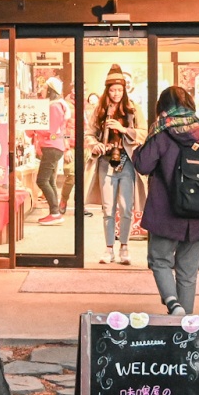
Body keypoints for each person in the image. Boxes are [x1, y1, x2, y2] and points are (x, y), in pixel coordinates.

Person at [133, 85, 199, 317]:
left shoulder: (161, 134)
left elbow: (143, 165)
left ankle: (173, 304)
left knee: (160, 260)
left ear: (162, 108)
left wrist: (137, 149)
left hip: (167, 213)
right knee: (187, 272)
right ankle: (185, 329)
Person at [87, 64, 143, 264]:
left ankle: (125, 247)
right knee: (108, 208)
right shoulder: (100, 109)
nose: (116, 93)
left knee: (126, 207)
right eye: (112, 90)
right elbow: (89, 133)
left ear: (125, 89)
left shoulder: (133, 109)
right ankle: (109, 248)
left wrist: (123, 128)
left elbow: (144, 132)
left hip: (127, 163)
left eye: (120, 89)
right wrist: (95, 145)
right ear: (107, 90)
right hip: (106, 162)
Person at [34, 77, 71, 225]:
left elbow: (52, 131)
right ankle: (54, 212)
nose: (41, 90)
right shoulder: (58, 105)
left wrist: (35, 128)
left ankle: (55, 212)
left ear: (50, 89)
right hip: (54, 146)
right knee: (49, 180)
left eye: (43, 87)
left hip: (51, 147)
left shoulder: (54, 107)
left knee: (41, 180)